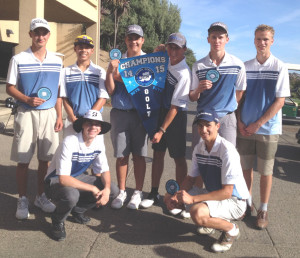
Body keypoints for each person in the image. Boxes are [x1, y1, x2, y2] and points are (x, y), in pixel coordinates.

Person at [164, 110, 249, 253]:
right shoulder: (199, 148)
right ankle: (211, 223)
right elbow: (190, 179)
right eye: (200, 126)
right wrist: (176, 195)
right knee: (168, 196)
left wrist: (192, 199)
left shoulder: (227, 151)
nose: (203, 130)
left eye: (208, 125)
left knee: (197, 212)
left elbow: (227, 192)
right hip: (213, 194)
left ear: (217, 126)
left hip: (235, 201)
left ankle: (231, 230)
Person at [6, 18, 63, 220]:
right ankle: (22, 199)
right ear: (30, 35)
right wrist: (27, 99)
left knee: (45, 160)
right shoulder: (19, 59)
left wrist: (59, 115)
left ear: (48, 35)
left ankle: (40, 196)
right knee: (23, 160)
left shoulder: (57, 60)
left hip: (49, 114)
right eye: (36, 33)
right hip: (26, 113)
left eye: (44, 33)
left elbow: (58, 91)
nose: (40, 36)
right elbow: (10, 87)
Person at [236, 24, 290, 229]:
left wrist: (258, 124)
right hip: (245, 128)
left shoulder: (279, 66)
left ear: (272, 41)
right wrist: (240, 120)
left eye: (265, 39)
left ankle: (263, 208)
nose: (262, 43)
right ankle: (247, 204)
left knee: (266, 171)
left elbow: (280, 101)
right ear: (254, 40)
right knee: (245, 168)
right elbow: (239, 98)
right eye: (258, 39)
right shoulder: (245, 66)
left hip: (267, 129)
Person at [44, 110, 117, 241]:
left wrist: (106, 189)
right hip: (54, 181)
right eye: (89, 123)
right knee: (72, 195)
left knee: (113, 190)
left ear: (100, 129)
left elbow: (104, 170)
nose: (93, 127)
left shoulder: (99, 142)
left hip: (78, 177)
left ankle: (78, 210)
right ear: (83, 125)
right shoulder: (70, 141)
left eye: (97, 124)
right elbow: (63, 179)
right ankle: (58, 219)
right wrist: (93, 188)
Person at [140, 33, 191, 215]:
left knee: (178, 158)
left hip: (175, 116)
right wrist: (157, 52)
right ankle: (154, 193)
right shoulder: (164, 59)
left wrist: (161, 129)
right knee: (158, 153)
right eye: (171, 46)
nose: (173, 51)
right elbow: (149, 63)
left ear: (184, 49)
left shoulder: (184, 73)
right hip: (161, 112)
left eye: (177, 47)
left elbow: (175, 107)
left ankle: (181, 198)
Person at [105, 24, 148, 209]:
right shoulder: (118, 60)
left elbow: (144, 86)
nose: (133, 41)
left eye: (137, 38)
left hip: (140, 115)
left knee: (139, 155)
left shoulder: (147, 61)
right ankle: (122, 191)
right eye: (130, 38)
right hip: (120, 113)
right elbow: (111, 91)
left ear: (142, 40)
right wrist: (109, 72)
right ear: (126, 40)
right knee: (121, 155)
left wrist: (121, 76)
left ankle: (137, 192)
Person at [189, 22, 247, 148]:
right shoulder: (198, 66)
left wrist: (226, 107)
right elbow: (192, 97)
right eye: (213, 37)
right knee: (200, 158)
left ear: (227, 39)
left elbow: (240, 92)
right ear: (208, 39)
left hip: (227, 119)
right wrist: (198, 89)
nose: (217, 41)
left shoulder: (237, 64)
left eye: (220, 37)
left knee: (228, 158)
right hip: (203, 118)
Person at [60, 35, 109, 137]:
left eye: (87, 47)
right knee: (71, 151)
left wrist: (89, 119)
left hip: (94, 121)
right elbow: (64, 99)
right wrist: (73, 119)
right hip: (72, 120)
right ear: (75, 49)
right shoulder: (65, 72)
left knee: (93, 152)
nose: (83, 50)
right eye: (80, 47)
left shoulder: (99, 71)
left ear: (92, 50)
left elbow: (103, 97)